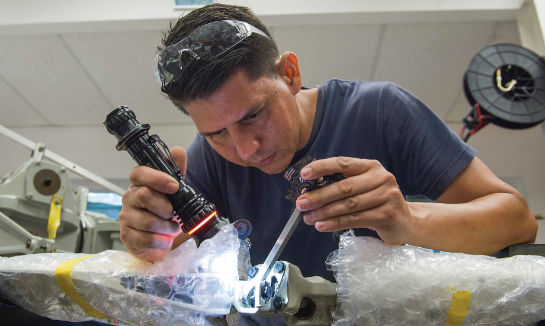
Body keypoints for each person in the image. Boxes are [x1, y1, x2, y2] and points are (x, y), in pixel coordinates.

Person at [120, 3, 537, 283]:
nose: (245, 149)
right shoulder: (207, 161)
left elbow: (516, 220)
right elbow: (171, 263)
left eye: (253, 115)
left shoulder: (379, 110)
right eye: (217, 133)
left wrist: (409, 220)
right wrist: (149, 237)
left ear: (290, 73)